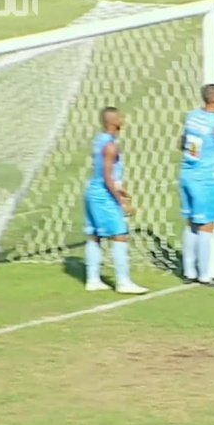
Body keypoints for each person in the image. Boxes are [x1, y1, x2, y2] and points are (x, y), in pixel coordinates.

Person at [83, 107, 148, 294]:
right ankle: (123, 282)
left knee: (95, 236)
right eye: (120, 116)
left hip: (93, 192)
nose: (123, 118)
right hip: (103, 195)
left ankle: (93, 279)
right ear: (113, 122)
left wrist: (120, 189)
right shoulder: (111, 146)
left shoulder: (100, 140)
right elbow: (107, 176)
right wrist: (120, 200)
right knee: (120, 235)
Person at [179, 83, 214, 287]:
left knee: (192, 223)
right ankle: (205, 275)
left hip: (187, 174)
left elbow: (182, 142)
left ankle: (189, 271)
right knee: (207, 225)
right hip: (205, 179)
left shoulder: (191, 117)